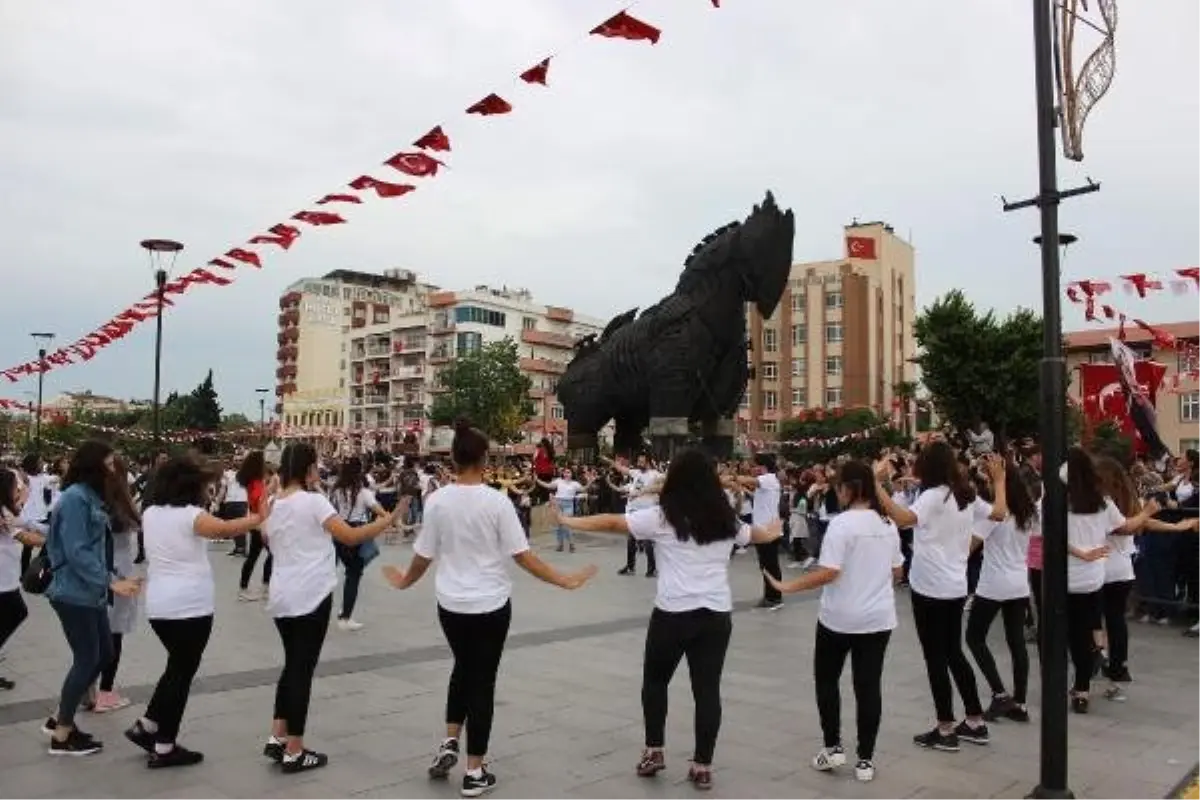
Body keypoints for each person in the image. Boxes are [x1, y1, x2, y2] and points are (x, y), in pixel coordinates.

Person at [382, 419, 596, 798]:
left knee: (462, 669)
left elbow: (422, 556)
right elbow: (524, 557)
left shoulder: (437, 502)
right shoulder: (497, 503)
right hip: (490, 605)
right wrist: (563, 580)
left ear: (452, 459)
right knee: (482, 681)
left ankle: (450, 741)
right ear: (483, 459)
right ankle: (475, 770)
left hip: (451, 604)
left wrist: (403, 581)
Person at [555, 448, 783, 792]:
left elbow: (614, 522)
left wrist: (569, 521)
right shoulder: (726, 519)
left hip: (672, 614)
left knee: (655, 682)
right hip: (715, 615)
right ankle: (703, 765)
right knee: (707, 691)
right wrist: (774, 529)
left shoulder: (662, 516)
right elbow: (756, 535)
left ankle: (654, 751)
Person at [261, 442, 403, 773]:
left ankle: (277, 736)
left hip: (283, 595)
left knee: (291, 665)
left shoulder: (274, 502)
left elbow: (266, 537)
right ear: (309, 468)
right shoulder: (313, 502)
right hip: (311, 594)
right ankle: (295, 749)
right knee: (302, 670)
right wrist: (389, 520)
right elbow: (350, 537)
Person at [765, 460, 903, 783]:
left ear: (850, 488)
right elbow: (898, 572)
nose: (836, 492)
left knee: (827, 681)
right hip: (877, 619)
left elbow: (829, 572)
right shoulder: (888, 525)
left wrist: (788, 587)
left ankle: (833, 746)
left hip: (838, 619)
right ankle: (865, 760)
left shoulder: (842, 525)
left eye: (838, 486)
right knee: (868, 687)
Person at [124, 455, 266, 768]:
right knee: (182, 674)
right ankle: (164, 746)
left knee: (176, 668)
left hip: (160, 605)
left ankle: (147, 726)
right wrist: (259, 517)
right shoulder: (191, 515)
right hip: (189, 606)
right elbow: (225, 529)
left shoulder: (151, 513)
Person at [874, 440, 988, 751]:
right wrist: (1001, 483)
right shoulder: (965, 494)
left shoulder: (933, 497)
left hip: (930, 586)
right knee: (954, 652)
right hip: (954, 585)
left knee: (935, 656)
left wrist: (876, 486)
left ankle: (945, 727)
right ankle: (975, 720)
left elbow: (902, 519)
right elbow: (998, 514)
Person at [43, 440, 142, 756]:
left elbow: (97, 547)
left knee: (103, 653)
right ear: (94, 466)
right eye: (110, 464)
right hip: (74, 593)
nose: (114, 470)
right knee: (88, 658)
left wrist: (112, 580)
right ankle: (61, 733)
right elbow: (76, 551)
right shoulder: (75, 499)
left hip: (91, 592)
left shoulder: (90, 498)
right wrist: (111, 584)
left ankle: (63, 719)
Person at [1061, 448, 1158, 713]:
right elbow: (1125, 526)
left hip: (1065, 577)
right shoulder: (1102, 502)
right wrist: (1147, 511)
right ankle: (1082, 689)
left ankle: (1076, 678)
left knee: (1072, 634)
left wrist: (1078, 551)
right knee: (1087, 630)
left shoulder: (1059, 501)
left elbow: (1050, 536)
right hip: (1092, 577)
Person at [964, 456, 1034, 723]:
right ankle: (1021, 702)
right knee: (1016, 642)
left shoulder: (994, 515)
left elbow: (968, 547)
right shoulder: (1028, 513)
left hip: (993, 583)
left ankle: (999, 693)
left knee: (974, 637)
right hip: (1018, 583)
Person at [93, 458, 143, 712]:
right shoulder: (124, 505)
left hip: (94, 574)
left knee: (93, 638)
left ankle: (89, 690)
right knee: (113, 636)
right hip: (120, 574)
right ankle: (105, 693)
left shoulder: (90, 502)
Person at [329, 458, 388, 630]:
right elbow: (381, 513)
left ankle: (335, 612)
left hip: (338, 531)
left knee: (338, 570)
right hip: (357, 533)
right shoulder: (363, 492)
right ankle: (345, 616)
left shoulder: (335, 490)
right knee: (353, 575)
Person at [0, 468, 44, 691]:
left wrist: (23, 491)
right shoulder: (2, 514)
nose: (16, 490)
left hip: (6, 577)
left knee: (14, 614)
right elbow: (26, 537)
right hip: (2, 580)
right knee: (17, 612)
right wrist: (52, 540)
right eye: (13, 486)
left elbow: (21, 516)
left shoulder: (7, 510)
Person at [734, 454, 784, 611]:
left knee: (770, 566)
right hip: (764, 530)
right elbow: (758, 494)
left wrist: (735, 477)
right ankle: (770, 595)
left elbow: (749, 481)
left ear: (763, 466)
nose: (753, 469)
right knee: (766, 565)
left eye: (755, 466)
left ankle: (775, 597)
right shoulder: (768, 481)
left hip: (768, 531)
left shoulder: (768, 478)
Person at [608, 454, 661, 577]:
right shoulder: (636, 473)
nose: (639, 463)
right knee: (631, 539)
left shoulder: (655, 474)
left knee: (648, 541)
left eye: (642, 462)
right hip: (634, 512)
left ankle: (651, 569)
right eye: (638, 461)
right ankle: (631, 567)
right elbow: (622, 469)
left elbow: (664, 482)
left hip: (648, 512)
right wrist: (611, 461)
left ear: (648, 463)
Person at [237, 451, 273, 601]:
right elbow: (260, 501)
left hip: (254, 520)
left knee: (253, 555)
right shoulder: (257, 483)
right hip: (260, 522)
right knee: (273, 553)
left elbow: (260, 497)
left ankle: (245, 588)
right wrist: (265, 523)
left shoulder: (252, 482)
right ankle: (264, 585)